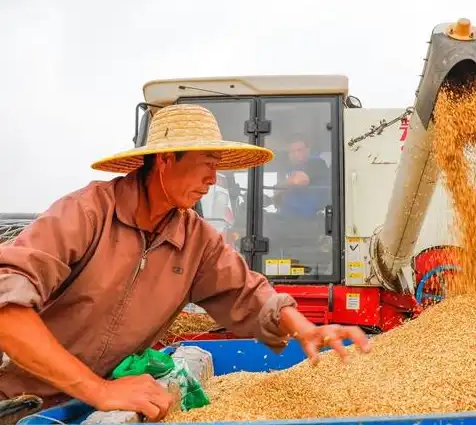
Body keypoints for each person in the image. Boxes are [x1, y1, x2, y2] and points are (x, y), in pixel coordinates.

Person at [0, 104, 370, 423]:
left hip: (88, 407)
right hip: (16, 403)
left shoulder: (195, 239)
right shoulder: (87, 213)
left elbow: (247, 291)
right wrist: (97, 389)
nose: (213, 179)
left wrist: (306, 329)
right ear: (164, 160)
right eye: (206, 165)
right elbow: (7, 306)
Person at [274, 136, 330, 218]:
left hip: (309, 219)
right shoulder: (288, 168)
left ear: (308, 150)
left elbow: (300, 180)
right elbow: (276, 196)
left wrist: (281, 187)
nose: (295, 154)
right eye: (291, 152)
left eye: (299, 150)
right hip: (287, 218)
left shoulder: (317, 163)